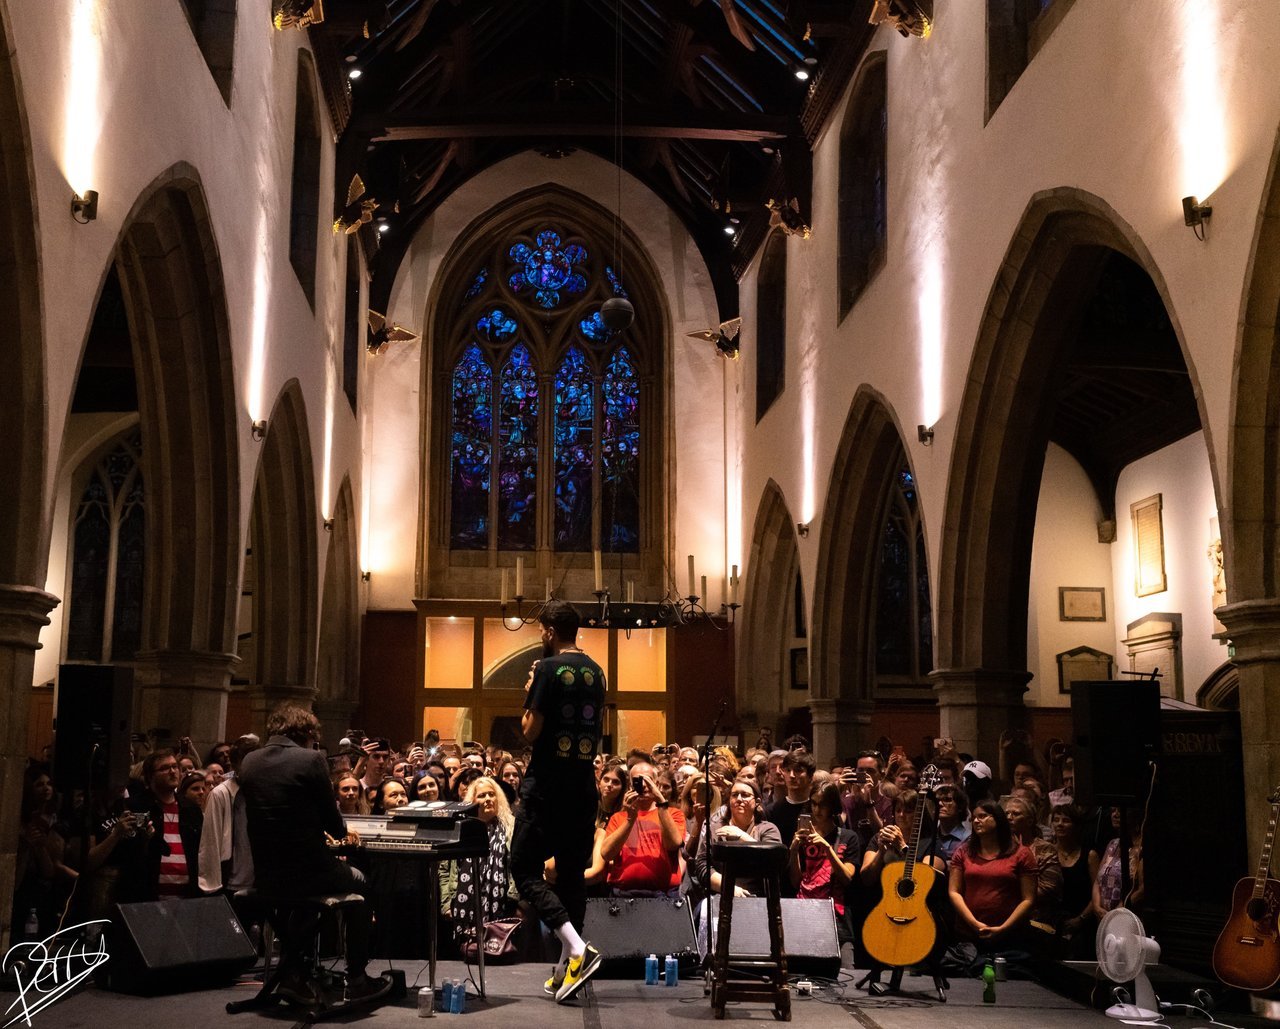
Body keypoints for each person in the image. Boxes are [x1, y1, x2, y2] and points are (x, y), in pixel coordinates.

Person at [240, 704, 390, 1007]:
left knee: (305, 904)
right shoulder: (310, 760)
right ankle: (357, 978)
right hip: (309, 872)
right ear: (307, 733)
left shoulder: (250, 761)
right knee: (360, 882)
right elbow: (334, 825)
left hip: (267, 876)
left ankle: (297, 972)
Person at [509, 600, 606, 1003]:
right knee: (570, 879)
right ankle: (567, 971)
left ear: (549, 631)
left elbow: (530, 731)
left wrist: (531, 692)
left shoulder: (547, 670)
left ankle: (579, 948)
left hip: (547, 786)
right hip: (583, 788)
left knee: (524, 868)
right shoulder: (597, 672)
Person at [441, 776, 519, 953]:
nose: (488, 799)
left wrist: (516, 900)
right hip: (465, 902)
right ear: (472, 801)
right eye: (482, 795)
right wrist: (446, 903)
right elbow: (445, 868)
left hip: (503, 904)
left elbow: (518, 865)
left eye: (492, 794)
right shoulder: (460, 829)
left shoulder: (511, 827)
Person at [948, 801, 1036, 956]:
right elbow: (954, 892)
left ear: (998, 819)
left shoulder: (1021, 854)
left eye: (982, 816)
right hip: (968, 934)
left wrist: (1003, 929)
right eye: (974, 817)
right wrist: (975, 924)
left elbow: (1028, 899)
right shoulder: (963, 852)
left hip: (1009, 935)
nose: (976, 821)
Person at [790, 781, 859, 966]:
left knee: (847, 975)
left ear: (832, 806)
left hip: (837, 919)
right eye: (813, 803)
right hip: (805, 913)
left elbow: (847, 878)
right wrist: (794, 850)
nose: (817, 809)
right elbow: (795, 882)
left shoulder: (847, 837)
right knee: (800, 977)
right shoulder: (803, 836)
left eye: (823, 804)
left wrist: (827, 848)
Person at [600, 761, 685, 895]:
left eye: (648, 780)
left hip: (663, 894)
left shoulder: (673, 814)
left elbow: (674, 844)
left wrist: (661, 802)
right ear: (630, 786)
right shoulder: (618, 817)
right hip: (622, 892)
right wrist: (630, 819)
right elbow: (606, 854)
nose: (644, 785)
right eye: (638, 780)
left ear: (656, 784)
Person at [198, 735, 260, 896]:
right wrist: (211, 887)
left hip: (259, 882)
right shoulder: (220, 794)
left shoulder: (263, 790)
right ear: (234, 764)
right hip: (231, 882)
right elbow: (210, 842)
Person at [1050, 803, 1099, 956]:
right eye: (1056, 820)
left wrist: (1081, 919)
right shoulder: (1047, 851)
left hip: (1082, 921)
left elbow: (1097, 892)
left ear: (1076, 825)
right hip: (1051, 922)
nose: (1060, 824)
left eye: (1065, 820)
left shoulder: (1089, 855)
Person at [935, 785, 971, 861]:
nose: (940, 804)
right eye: (937, 800)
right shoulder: (930, 836)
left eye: (947, 800)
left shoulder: (968, 838)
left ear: (960, 807)